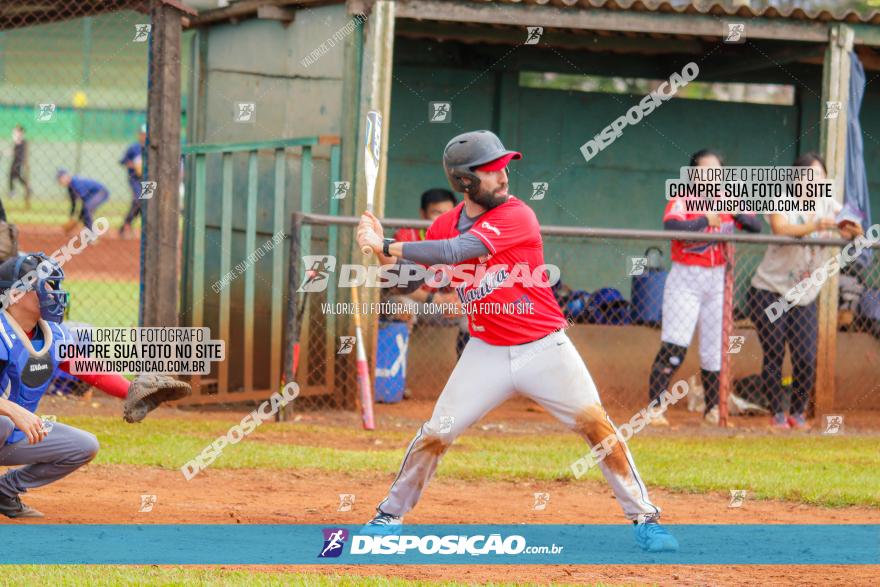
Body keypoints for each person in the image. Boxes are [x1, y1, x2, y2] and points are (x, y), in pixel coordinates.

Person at [356, 130, 678, 553]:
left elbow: (456, 251)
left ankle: (646, 520)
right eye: (492, 170)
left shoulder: (517, 215)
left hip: (543, 346)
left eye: (504, 165)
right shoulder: (444, 225)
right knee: (437, 432)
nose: (504, 175)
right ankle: (389, 515)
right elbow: (410, 279)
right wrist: (381, 256)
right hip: (485, 351)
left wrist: (389, 244)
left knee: (596, 425)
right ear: (466, 182)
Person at [0, 252, 190, 518]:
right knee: (4, 422)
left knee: (84, 445)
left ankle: (5, 490)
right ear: (17, 295)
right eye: (44, 286)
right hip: (5, 425)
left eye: (55, 286)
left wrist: (132, 391)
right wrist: (12, 410)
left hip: (13, 436)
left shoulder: (53, 334)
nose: (55, 294)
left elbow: (86, 367)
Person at [747, 152, 862, 430]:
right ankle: (776, 415)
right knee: (774, 351)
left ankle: (797, 414)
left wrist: (852, 230)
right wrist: (815, 225)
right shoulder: (782, 200)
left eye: (821, 177)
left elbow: (854, 224)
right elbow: (780, 227)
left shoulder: (828, 205)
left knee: (805, 357)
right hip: (770, 290)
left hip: (805, 294)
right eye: (811, 176)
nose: (817, 181)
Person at [646, 149, 761, 427]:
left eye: (716, 171)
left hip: (719, 280)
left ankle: (712, 410)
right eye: (704, 170)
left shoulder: (728, 198)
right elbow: (671, 226)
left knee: (714, 349)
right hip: (687, 277)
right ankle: (654, 408)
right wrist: (705, 220)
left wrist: (733, 212)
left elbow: (755, 225)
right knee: (676, 342)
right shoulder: (683, 198)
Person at [390, 188, 469, 357]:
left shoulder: (461, 239)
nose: (443, 218)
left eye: (448, 213)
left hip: (444, 306)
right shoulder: (406, 237)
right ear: (423, 214)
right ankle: (395, 378)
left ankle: (464, 375)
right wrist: (434, 299)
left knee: (472, 316)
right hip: (415, 302)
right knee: (400, 306)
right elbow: (397, 287)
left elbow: (467, 279)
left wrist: (457, 298)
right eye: (436, 212)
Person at [56, 169, 109, 233]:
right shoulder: (70, 187)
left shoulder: (76, 183)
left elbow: (82, 200)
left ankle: (91, 234)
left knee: (87, 208)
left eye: (61, 178)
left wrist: (77, 218)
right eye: (59, 178)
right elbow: (74, 204)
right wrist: (72, 218)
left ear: (67, 176)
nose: (60, 180)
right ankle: (88, 231)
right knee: (85, 209)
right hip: (92, 195)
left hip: (101, 192)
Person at [119, 124, 146, 238]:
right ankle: (127, 225)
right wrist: (134, 165)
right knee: (137, 200)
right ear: (139, 135)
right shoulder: (134, 148)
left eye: (146, 134)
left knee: (147, 204)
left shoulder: (153, 148)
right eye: (142, 134)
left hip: (149, 180)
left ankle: (129, 226)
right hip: (135, 179)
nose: (144, 136)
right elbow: (123, 161)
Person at [8, 125, 32, 208]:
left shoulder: (22, 141)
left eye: (17, 131)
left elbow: (20, 153)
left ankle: (13, 191)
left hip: (18, 162)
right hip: (15, 161)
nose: (15, 133)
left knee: (14, 175)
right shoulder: (17, 141)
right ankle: (26, 187)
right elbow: (13, 152)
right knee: (15, 176)